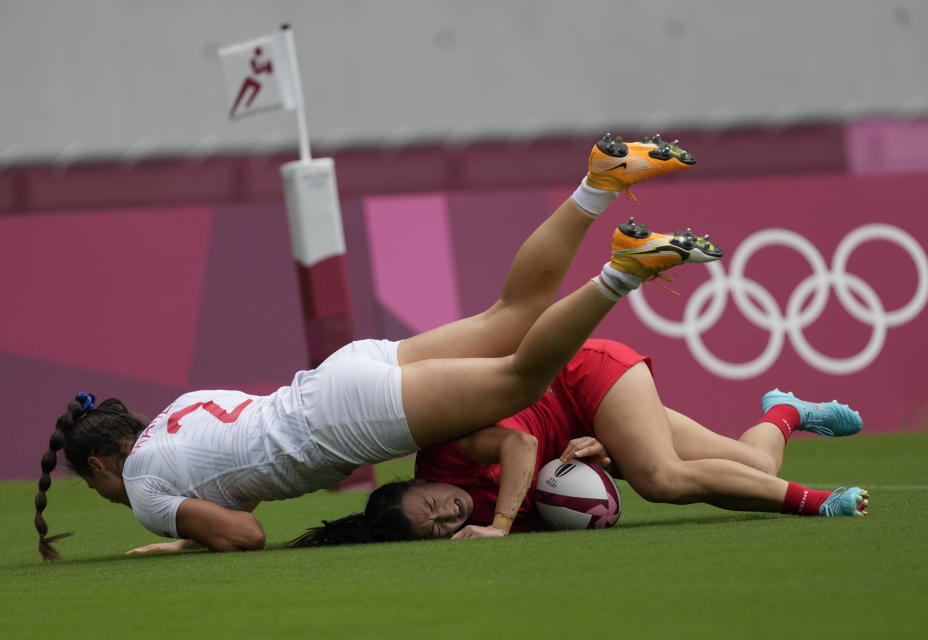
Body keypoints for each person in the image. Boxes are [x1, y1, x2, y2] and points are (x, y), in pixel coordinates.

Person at [34, 133, 722, 560]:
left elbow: (245, 535)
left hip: (345, 417)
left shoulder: (143, 485)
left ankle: (623, 268)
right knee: (510, 316)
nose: (107, 496)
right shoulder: (179, 414)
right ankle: (599, 180)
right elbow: (236, 474)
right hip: (341, 375)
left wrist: (186, 538)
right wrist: (194, 528)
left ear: (102, 463)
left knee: (520, 381)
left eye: (97, 488)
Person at [289, 338, 869, 546]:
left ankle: (819, 502)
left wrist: (499, 525)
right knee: (752, 461)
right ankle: (787, 411)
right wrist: (606, 460)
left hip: (584, 377)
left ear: (419, 481)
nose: (447, 515)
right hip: (592, 426)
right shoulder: (469, 527)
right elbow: (563, 489)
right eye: (436, 529)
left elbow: (520, 449)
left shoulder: (444, 450)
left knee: (661, 480)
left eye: (432, 505)